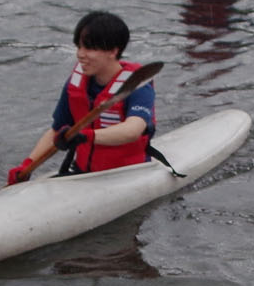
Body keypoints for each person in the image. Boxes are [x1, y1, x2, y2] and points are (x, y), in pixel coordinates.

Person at [10, 11, 158, 185]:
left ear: (113, 51)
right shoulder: (76, 83)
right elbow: (56, 131)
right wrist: (28, 165)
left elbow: (133, 130)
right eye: (79, 47)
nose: (80, 54)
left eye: (89, 48)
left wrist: (86, 136)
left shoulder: (138, 85)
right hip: (84, 173)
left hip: (129, 174)